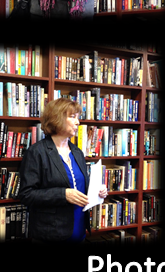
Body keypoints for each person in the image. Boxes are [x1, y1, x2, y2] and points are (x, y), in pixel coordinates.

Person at [19, 97, 107, 241]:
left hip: (79, 231)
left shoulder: (77, 152)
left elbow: (80, 186)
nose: (78, 122)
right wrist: (63, 194)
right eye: (72, 117)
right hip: (51, 235)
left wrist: (98, 192)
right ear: (57, 118)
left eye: (77, 117)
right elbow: (26, 195)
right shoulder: (37, 152)